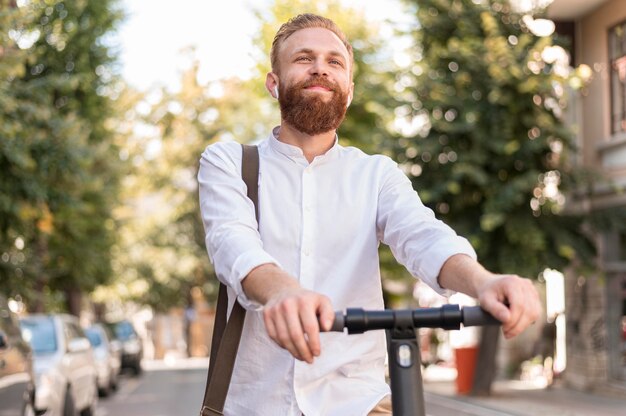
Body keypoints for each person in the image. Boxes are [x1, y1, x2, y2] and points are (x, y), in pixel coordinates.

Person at [198, 13, 541, 416]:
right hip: (256, 404)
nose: (320, 68)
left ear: (349, 89)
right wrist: (281, 291)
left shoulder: (376, 174)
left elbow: (422, 235)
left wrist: (483, 282)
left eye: (335, 61)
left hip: (357, 402)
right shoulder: (228, 162)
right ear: (274, 83)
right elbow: (233, 243)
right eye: (304, 58)